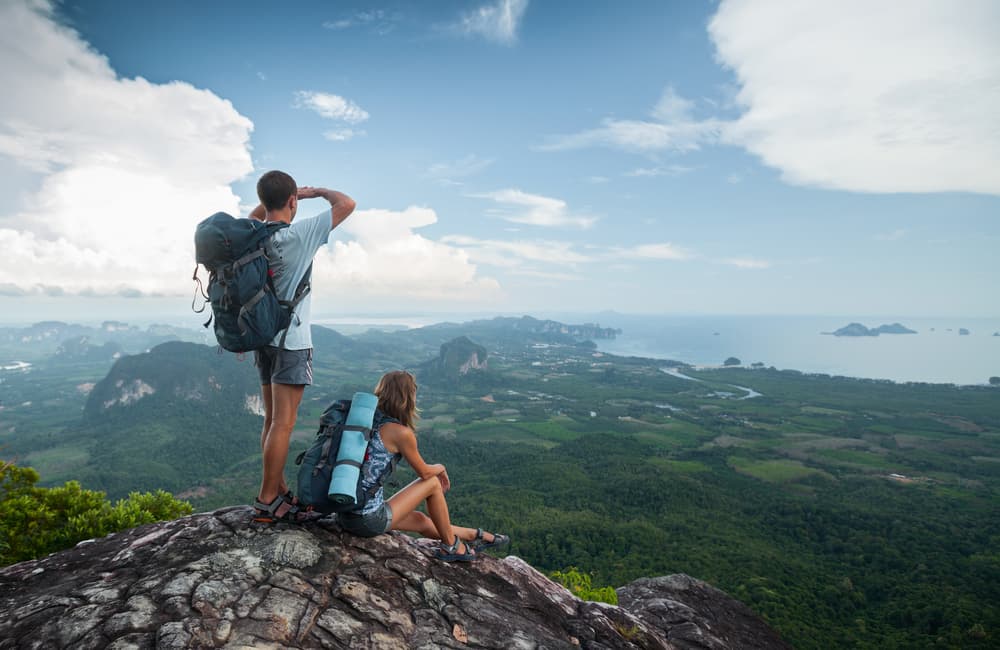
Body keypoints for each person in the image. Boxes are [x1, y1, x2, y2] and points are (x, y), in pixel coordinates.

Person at [250, 170, 356, 524]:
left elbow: (256, 215)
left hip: (262, 339)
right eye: (295, 199)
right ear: (293, 201)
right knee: (284, 424)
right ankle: (267, 500)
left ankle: (276, 488)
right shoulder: (299, 234)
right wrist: (316, 192)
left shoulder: (254, 234)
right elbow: (347, 204)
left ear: (264, 201)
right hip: (291, 342)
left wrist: (273, 201)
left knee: (271, 419)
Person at [339, 370, 510, 561]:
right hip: (367, 520)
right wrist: (441, 467)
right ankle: (451, 546)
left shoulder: (363, 421)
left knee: (421, 520)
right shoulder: (400, 432)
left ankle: (475, 535)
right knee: (433, 483)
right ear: (408, 397)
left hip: (346, 513)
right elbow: (425, 472)